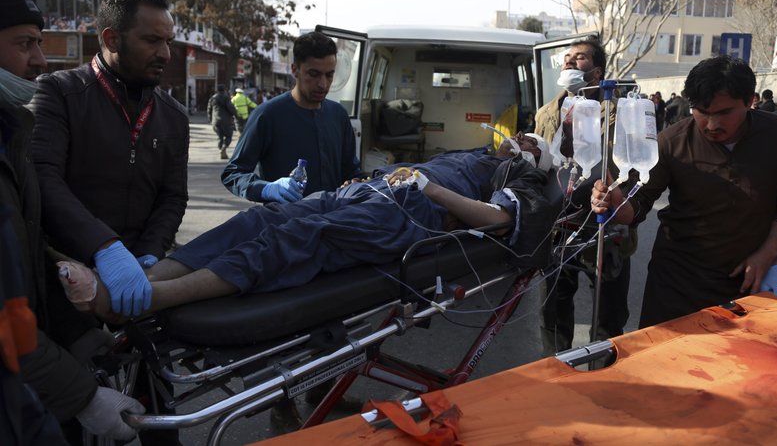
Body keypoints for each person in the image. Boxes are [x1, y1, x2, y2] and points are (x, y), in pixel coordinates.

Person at [61, 134, 555, 317]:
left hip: (408, 212)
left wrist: (430, 190)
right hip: (368, 192)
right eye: (518, 137)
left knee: (297, 238)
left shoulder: (519, 175)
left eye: (530, 142)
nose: (517, 142)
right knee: (261, 217)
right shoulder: (475, 151)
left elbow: (499, 221)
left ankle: (154, 299)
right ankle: (143, 278)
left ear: (537, 158)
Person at [30, 0, 188, 443]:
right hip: (69, 283)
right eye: (151, 40)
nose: (165, 53)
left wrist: (150, 256)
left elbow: (172, 197)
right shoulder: (59, 94)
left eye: (169, 42)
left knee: (161, 410)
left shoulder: (173, 116)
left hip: (144, 282)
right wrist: (103, 248)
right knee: (73, 414)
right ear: (112, 39)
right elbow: (44, 178)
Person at [1, 0, 142, 444]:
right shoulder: (60, 100)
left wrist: (81, 335)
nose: (40, 60)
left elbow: (17, 257)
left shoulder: (9, 138)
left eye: (40, 43)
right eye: (25, 44)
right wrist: (81, 395)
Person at [591, 55, 777, 328]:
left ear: (749, 101)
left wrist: (770, 253)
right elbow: (637, 204)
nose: (712, 125)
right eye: (702, 111)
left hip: (748, 279)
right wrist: (616, 203)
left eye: (724, 112)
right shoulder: (671, 142)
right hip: (678, 280)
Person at [533, 36, 633, 357]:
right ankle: (555, 371)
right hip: (558, 222)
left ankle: (603, 376)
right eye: (567, 58)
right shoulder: (548, 111)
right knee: (553, 307)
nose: (569, 63)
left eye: (579, 58)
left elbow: (629, 167)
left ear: (597, 71)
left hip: (603, 221)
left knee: (608, 313)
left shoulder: (619, 112)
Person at [222, 31, 361, 203]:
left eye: (329, 75)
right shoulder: (267, 115)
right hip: (284, 223)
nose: (323, 84)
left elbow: (352, 171)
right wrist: (265, 188)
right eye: (314, 74)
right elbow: (233, 173)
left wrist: (355, 183)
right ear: (294, 69)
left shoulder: (338, 115)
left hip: (333, 220)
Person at [208, 83, 237, 159]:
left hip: (216, 121)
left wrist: (211, 120)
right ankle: (224, 147)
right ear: (224, 90)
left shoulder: (212, 98)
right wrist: (235, 114)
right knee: (228, 136)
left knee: (220, 137)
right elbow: (231, 108)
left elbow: (209, 110)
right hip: (226, 121)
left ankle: (221, 149)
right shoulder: (226, 98)